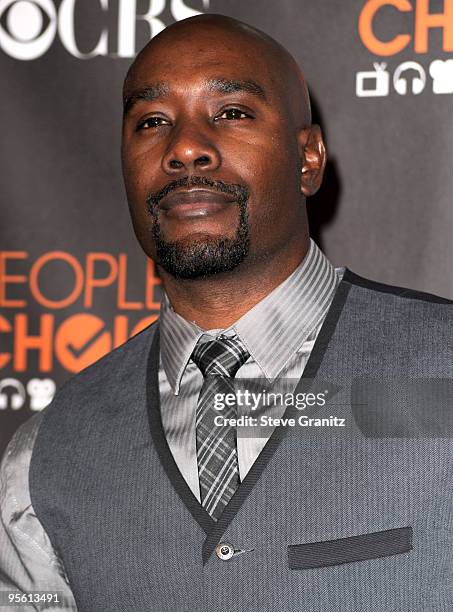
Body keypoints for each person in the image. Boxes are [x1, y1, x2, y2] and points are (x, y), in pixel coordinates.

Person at [1, 13, 452, 612]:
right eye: (152, 122)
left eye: (232, 113)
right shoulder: (46, 454)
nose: (185, 147)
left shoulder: (440, 372)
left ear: (308, 158)